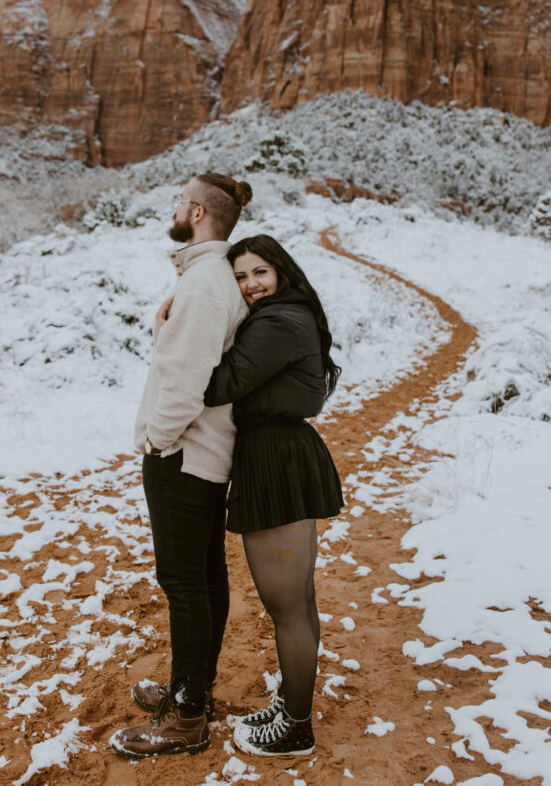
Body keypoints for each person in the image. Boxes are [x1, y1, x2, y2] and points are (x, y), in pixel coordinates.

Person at [109, 173, 252, 760]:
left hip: (184, 455)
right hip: (199, 455)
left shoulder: (205, 283)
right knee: (203, 575)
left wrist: (158, 440)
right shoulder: (207, 276)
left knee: (184, 582)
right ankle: (190, 690)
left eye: (177, 201)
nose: (172, 207)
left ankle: (188, 716)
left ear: (196, 213)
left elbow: (186, 379)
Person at [203, 234, 344, 758]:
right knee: (300, 601)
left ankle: (297, 730)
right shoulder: (290, 314)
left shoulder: (280, 320)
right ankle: (292, 704)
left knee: (288, 607)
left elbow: (222, 383)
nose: (251, 285)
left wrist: (180, 332)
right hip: (284, 452)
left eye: (259, 272)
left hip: (277, 460)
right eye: (240, 277)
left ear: (281, 270)